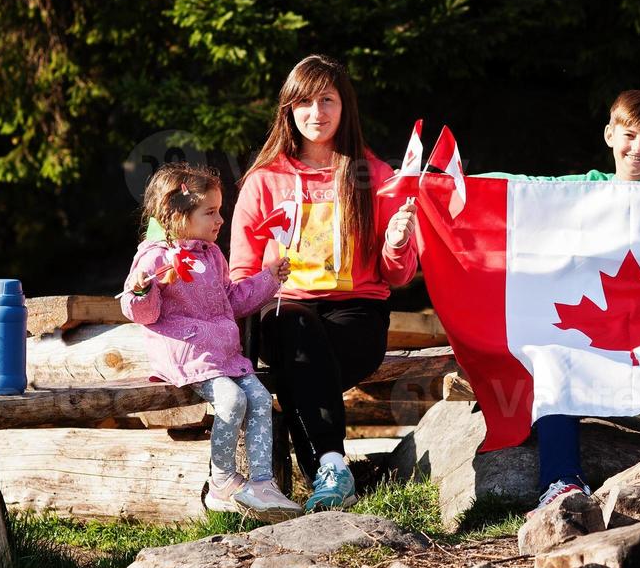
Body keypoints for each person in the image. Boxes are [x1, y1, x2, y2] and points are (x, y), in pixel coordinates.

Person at [484, 89, 640, 510]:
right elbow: (522, 192)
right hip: (589, 335)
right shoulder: (582, 190)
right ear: (609, 135)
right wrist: (458, 183)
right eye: (629, 135)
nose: (638, 148)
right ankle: (562, 480)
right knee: (550, 355)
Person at [230, 55, 419, 512]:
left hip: (357, 313)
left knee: (304, 363)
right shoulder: (265, 181)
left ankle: (322, 473)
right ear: (289, 111)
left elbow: (398, 275)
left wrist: (397, 241)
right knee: (299, 330)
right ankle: (333, 467)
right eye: (305, 102)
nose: (317, 113)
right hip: (284, 313)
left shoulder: (374, 176)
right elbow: (240, 271)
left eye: (328, 100)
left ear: (345, 106)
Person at [121, 162, 302, 521]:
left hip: (220, 352)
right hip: (186, 352)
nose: (220, 219)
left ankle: (262, 482)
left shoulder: (212, 255)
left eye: (220, 210)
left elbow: (231, 300)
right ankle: (221, 479)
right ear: (176, 214)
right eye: (210, 212)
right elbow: (141, 312)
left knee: (261, 398)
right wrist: (141, 289)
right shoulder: (155, 257)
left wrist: (268, 279)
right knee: (233, 399)